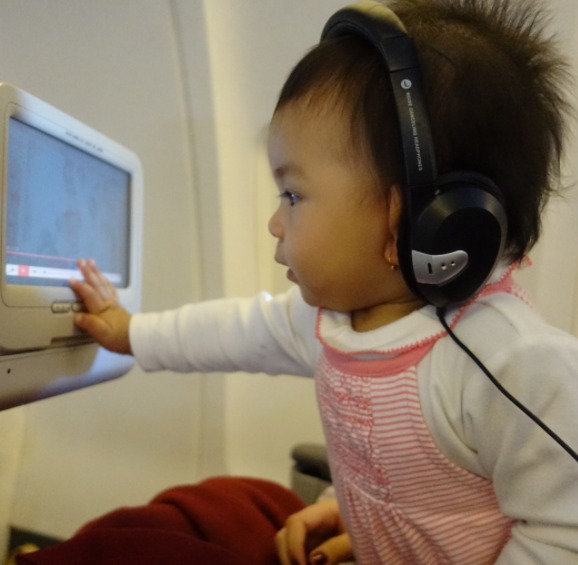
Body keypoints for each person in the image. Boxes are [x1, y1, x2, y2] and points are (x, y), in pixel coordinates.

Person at [70, 0, 578, 563]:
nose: (274, 222)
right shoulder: (326, 320)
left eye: (293, 195)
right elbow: (232, 332)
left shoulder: (509, 364)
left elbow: (565, 532)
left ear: (414, 219)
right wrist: (130, 332)